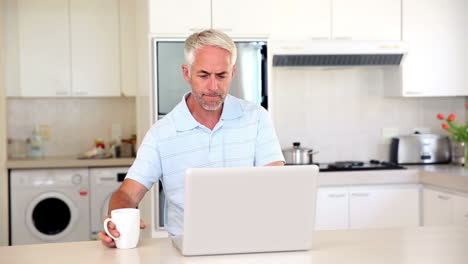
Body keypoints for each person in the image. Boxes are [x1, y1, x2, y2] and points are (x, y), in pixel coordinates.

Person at [98, 29, 285, 248]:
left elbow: (277, 187)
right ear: (187, 73)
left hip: (251, 244)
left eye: (221, 76)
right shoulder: (162, 133)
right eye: (204, 75)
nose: (213, 87)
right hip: (188, 250)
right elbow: (127, 195)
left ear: (232, 73)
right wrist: (116, 222)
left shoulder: (257, 118)